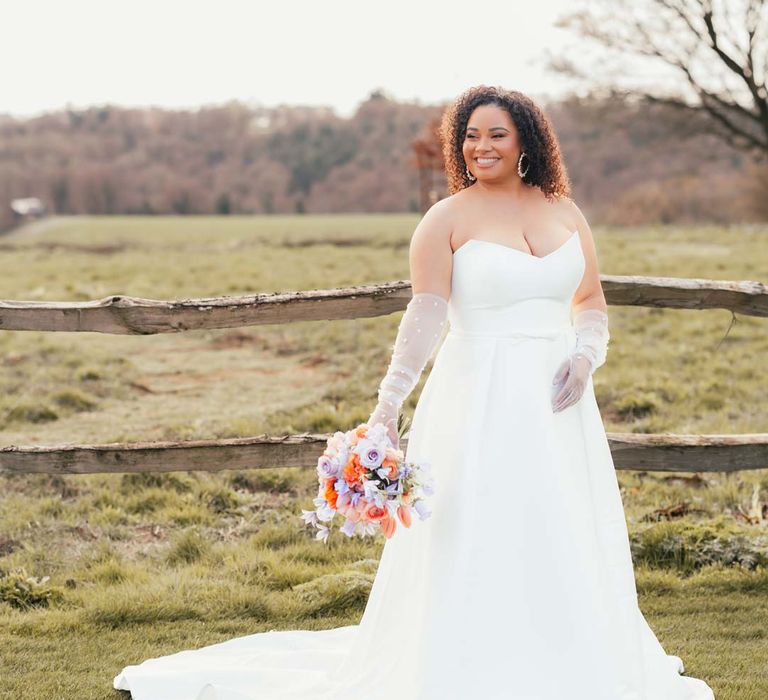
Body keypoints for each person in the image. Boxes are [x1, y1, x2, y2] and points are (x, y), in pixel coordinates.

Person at [113, 85, 715, 700]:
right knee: (476, 524)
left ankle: (564, 653)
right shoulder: (446, 219)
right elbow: (424, 316)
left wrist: (587, 357)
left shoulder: (566, 210)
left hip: (559, 403)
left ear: (527, 140)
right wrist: (388, 404)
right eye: (471, 136)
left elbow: (590, 303)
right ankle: (467, 661)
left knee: (557, 518)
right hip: (476, 396)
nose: (481, 146)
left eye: (497, 134)